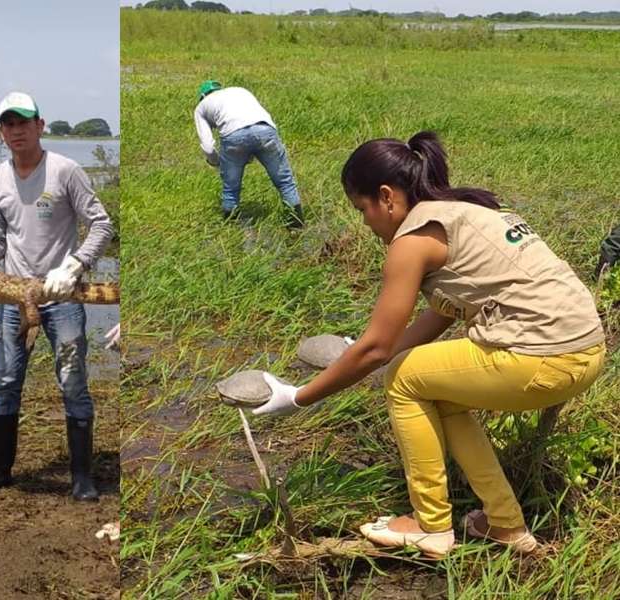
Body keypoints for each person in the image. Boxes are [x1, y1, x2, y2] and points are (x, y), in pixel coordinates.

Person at [249, 131, 605, 558]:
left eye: (362, 209)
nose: (364, 223)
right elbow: (439, 315)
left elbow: (378, 350)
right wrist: (372, 351)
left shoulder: (413, 239)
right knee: (437, 388)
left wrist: (298, 397)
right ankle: (506, 525)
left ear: (386, 197)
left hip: (541, 358)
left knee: (404, 379)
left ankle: (430, 526)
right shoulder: (466, 210)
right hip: (584, 352)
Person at [0, 91, 114, 502]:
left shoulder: (66, 171)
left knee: (73, 383)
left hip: (62, 295)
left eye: (24, 122)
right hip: (15, 297)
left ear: (40, 125)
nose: (17, 131)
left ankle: (82, 478)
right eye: (8, 124)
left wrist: (75, 265)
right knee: (4, 381)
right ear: (1, 132)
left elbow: (101, 225)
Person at [193, 80, 304, 226]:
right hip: (266, 129)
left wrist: (217, 163)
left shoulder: (201, 107)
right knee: (285, 182)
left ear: (202, 96)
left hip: (233, 136)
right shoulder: (239, 90)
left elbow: (207, 146)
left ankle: (231, 230)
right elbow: (253, 120)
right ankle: (296, 226)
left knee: (230, 188)